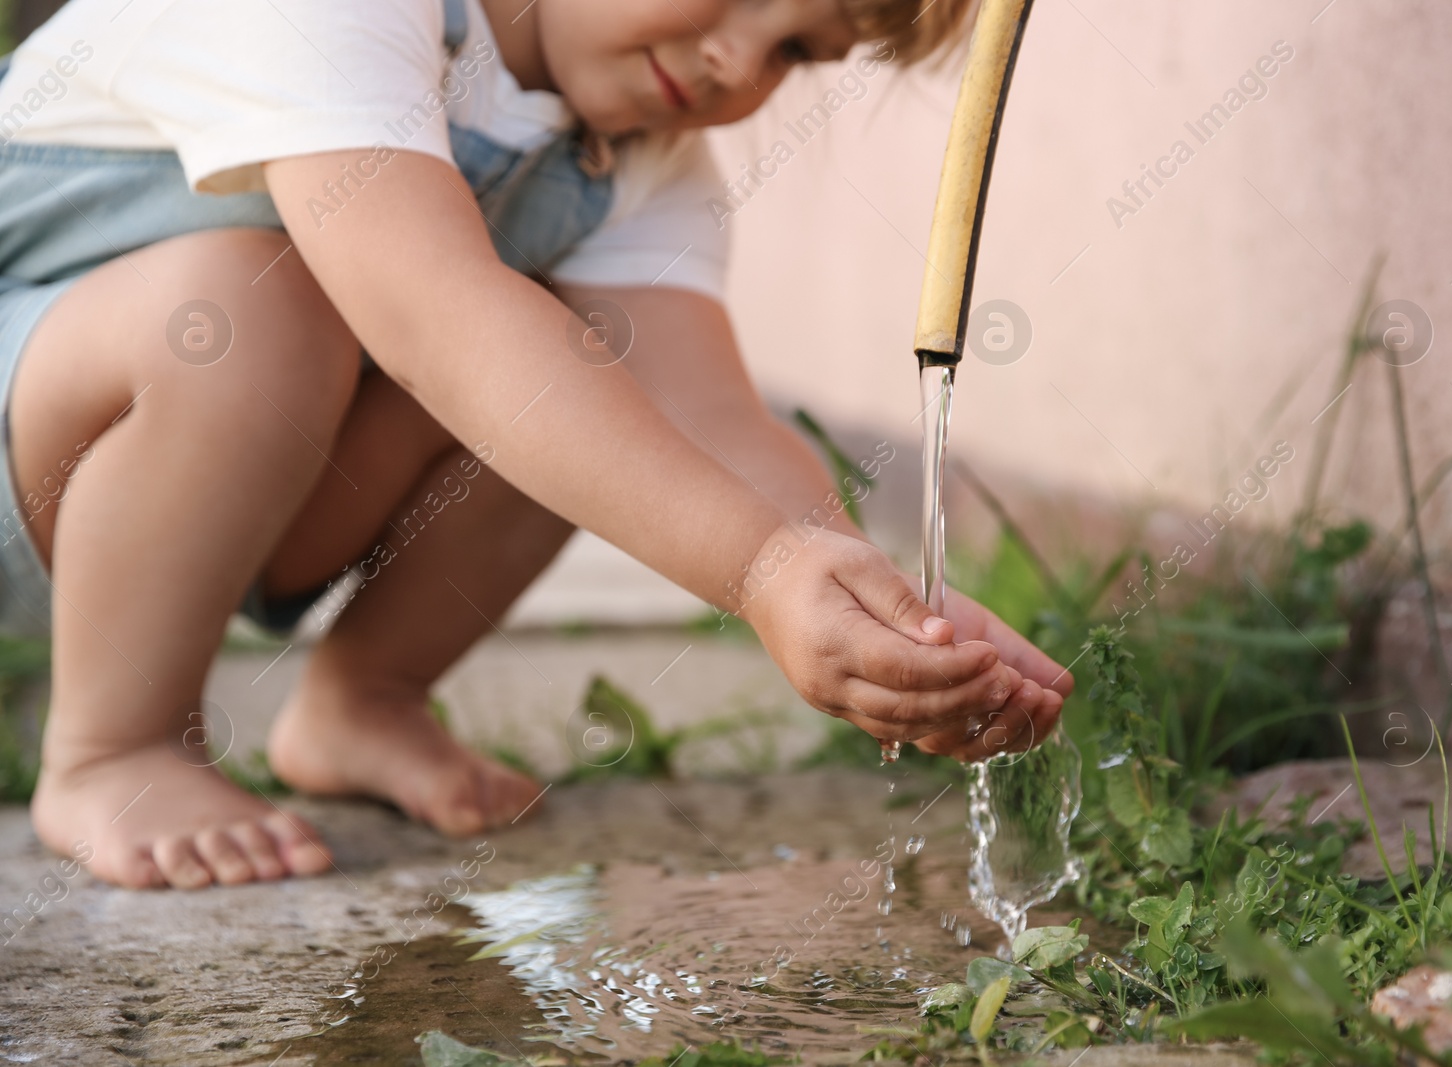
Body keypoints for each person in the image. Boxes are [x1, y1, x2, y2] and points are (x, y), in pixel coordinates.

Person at [0, 0, 1071, 890]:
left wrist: (867, 597)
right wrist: (754, 571)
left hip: (226, 488)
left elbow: (710, 417)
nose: (737, 59)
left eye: (798, 49)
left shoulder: (634, 159)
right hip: (34, 429)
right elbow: (432, 315)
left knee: (594, 384)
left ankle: (362, 701)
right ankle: (115, 744)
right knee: (253, 309)